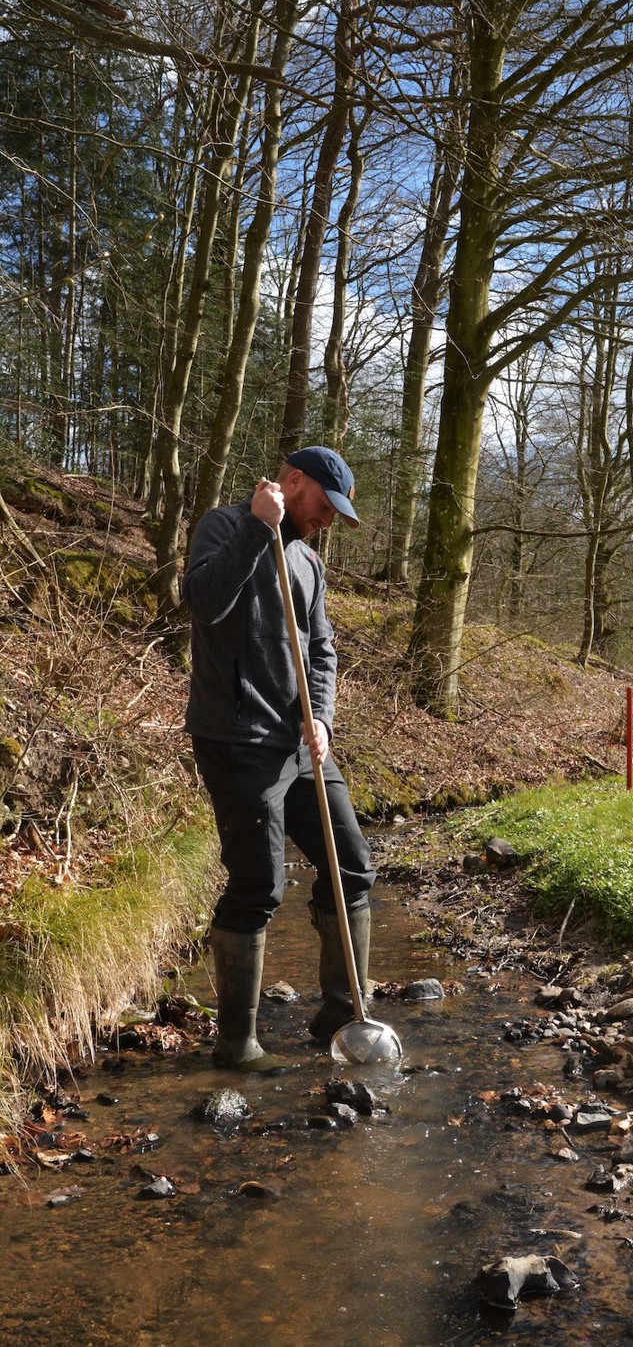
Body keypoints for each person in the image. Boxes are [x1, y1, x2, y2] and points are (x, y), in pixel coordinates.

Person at [183, 446, 375, 1071]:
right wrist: (254, 527)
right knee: (258, 885)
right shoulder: (223, 526)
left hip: (298, 744)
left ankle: (345, 1015)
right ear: (294, 482)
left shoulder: (310, 564)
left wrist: (320, 715)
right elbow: (205, 603)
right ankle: (237, 1045)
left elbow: (322, 653)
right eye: (324, 505)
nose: (326, 518)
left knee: (351, 865)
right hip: (237, 740)